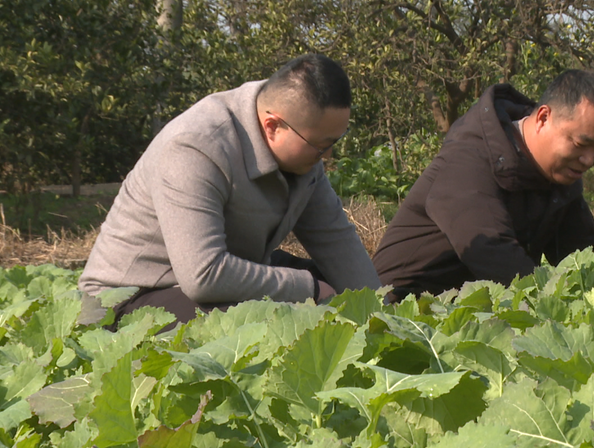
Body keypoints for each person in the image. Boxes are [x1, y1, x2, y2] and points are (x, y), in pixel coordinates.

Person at [79, 53, 380, 326]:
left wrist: (380, 311)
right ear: (273, 125)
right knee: (269, 322)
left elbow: (334, 238)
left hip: (216, 279)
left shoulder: (302, 150)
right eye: (321, 145)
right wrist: (307, 289)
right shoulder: (195, 146)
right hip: (129, 298)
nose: (327, 156)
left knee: (341, 291)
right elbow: (203, 275)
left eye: (334, 142)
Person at [372, 69, 594, 299]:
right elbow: (494, 254)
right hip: (401, 312)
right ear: (544, 118)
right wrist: (553, 304)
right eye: (580, 144)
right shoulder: (470, 159)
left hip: (472, 317)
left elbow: (587, 257)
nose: (590, 159)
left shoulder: (561, 176)